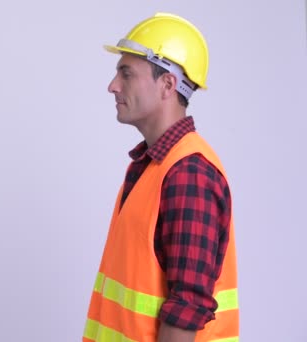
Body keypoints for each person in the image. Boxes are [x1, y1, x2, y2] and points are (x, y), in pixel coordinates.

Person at [83, 13, 239, 342]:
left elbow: (187, 310)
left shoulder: (189, 174)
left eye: (126, 74)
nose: (113, 86)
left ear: (168, 84)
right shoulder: (150, 166)